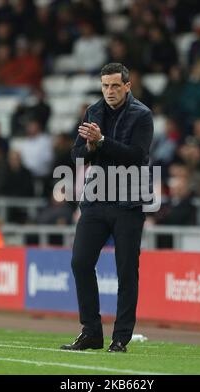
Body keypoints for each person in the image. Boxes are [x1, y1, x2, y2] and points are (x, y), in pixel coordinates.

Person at [61, 63, 153, 353]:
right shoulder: (94, 111)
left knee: (126, 270)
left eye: (115, 86)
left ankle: (121, 337)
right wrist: (89, 148)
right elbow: (76, 153)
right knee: (80, 262)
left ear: (128, 86)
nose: (109, 92)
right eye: (105, 86)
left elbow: (136, 157)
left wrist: (101, 142)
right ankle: (91, 332)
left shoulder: (142, 115)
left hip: (128, 202)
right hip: (97, 199)